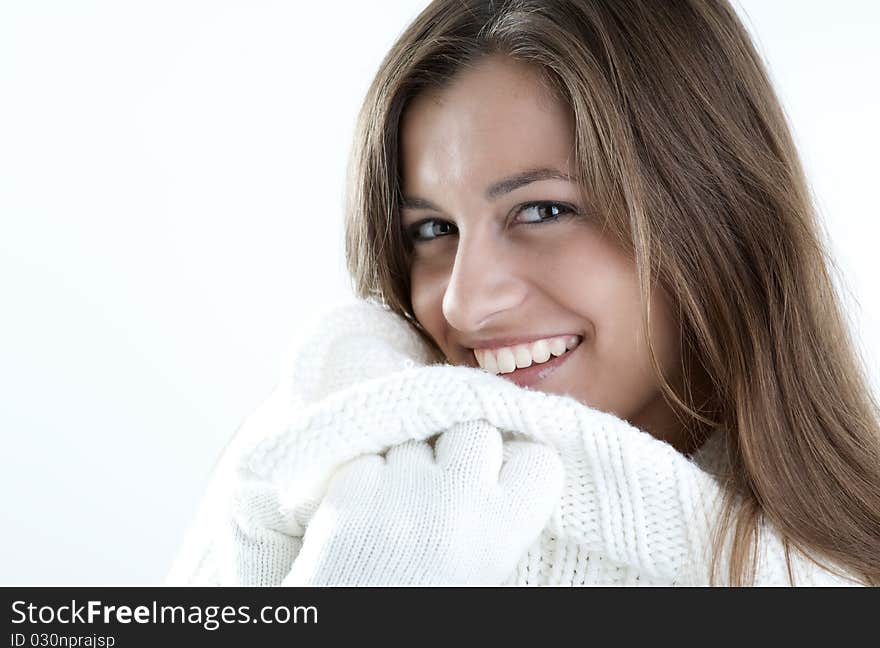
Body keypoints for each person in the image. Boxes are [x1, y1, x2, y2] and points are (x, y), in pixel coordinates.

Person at [166, 0, 880, 586]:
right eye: (433, 228)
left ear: (717, 213)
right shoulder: (308, 456)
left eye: (542, 211)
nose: (463, 305)